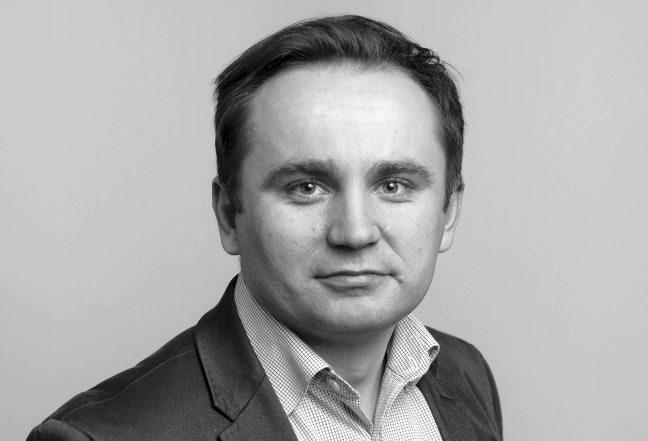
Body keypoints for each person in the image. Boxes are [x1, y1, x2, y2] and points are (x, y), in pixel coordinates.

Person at [28, 15, 502, 441]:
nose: (355, 232)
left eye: (394, 186)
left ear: (449, 212)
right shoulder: (95, 436)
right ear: (227, 213)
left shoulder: (466, 374)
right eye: (306, 187)